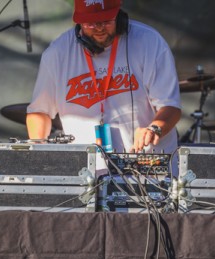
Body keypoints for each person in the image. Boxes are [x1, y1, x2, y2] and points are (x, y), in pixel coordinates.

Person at [26, 0, 181, 171]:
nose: (99, 28)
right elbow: (39, 112)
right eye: (90, 23)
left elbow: (171, 106)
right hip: (87, 173)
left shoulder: (149, 42)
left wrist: (154, 129)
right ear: (78, 22)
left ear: (119, 16)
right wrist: (38, 151)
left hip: (147, 167)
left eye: (106, 21)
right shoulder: (57, 53)